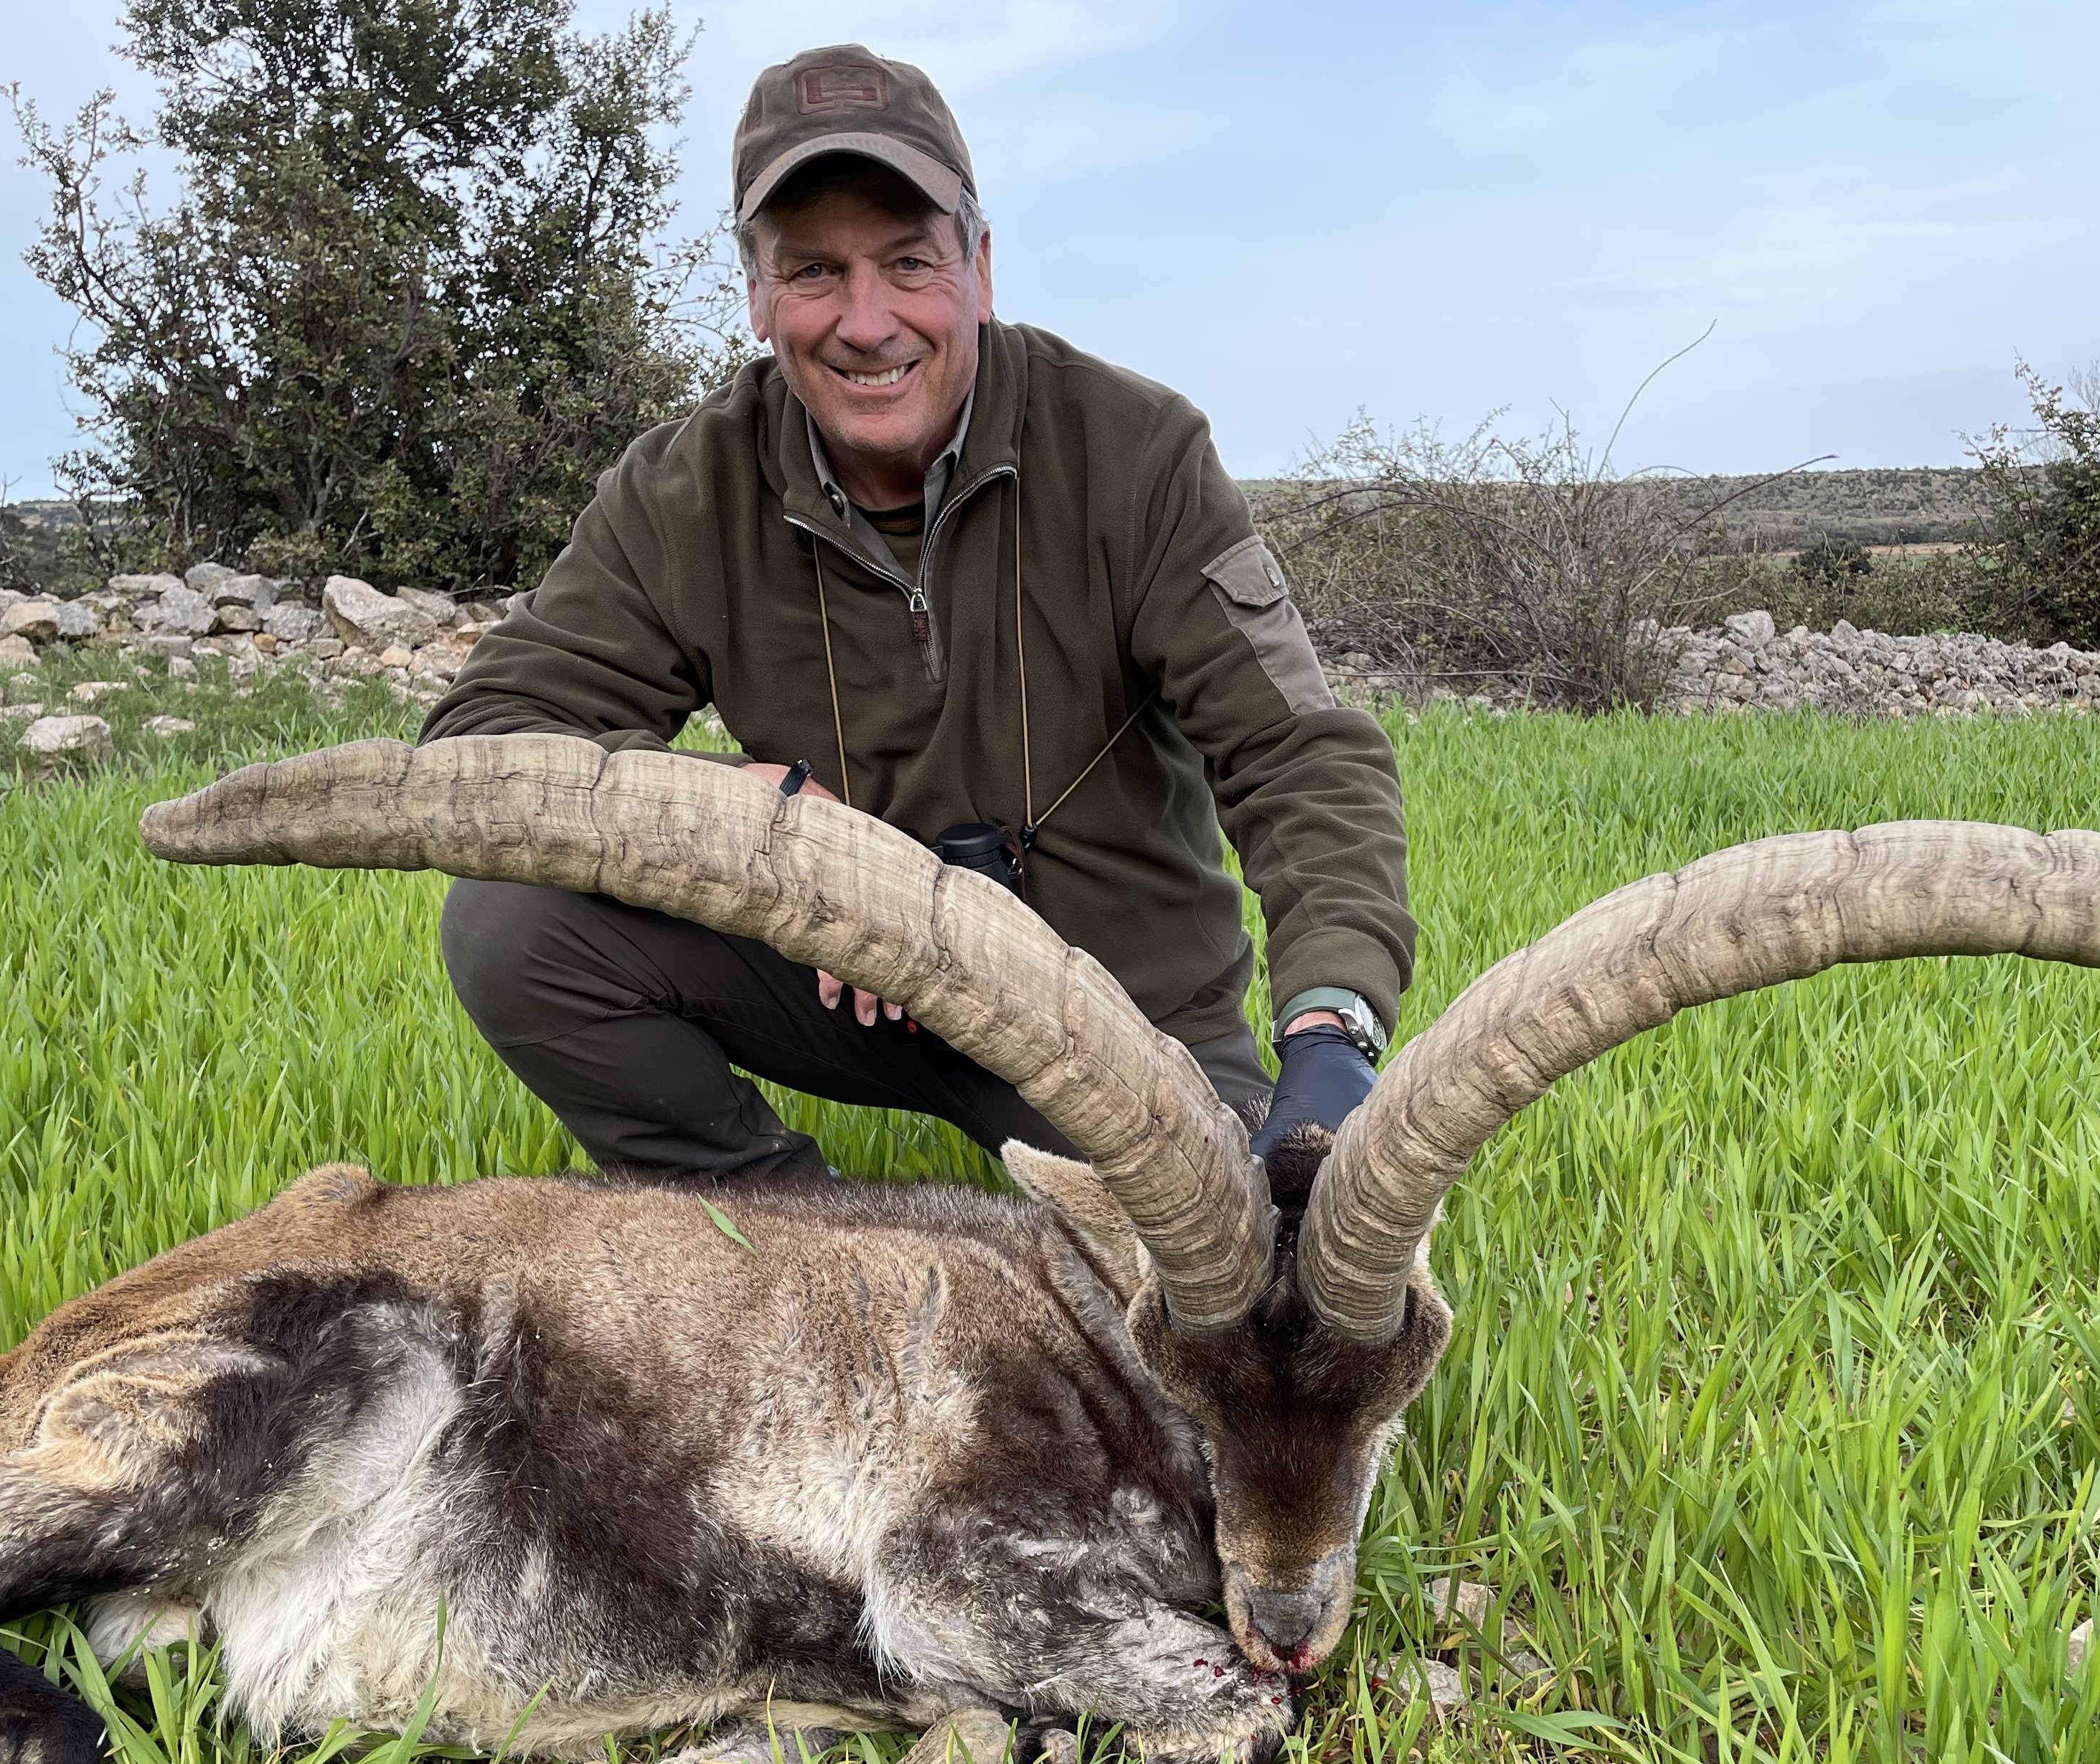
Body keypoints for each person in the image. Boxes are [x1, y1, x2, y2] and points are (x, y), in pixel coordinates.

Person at [422, 42, 1413, 1183]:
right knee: (511, 925)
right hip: (848, 983)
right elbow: (483, 745)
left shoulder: (1141, 453)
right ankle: (789, 1245)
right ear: (756, 293)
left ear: (981, 267)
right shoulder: (680, 491)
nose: (867, 320)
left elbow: (1299, 756)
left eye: (908, 262)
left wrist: (1332, 1032)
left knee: (1240, 1293)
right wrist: (747, 820)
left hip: (1114, 1028)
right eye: (812, 272)